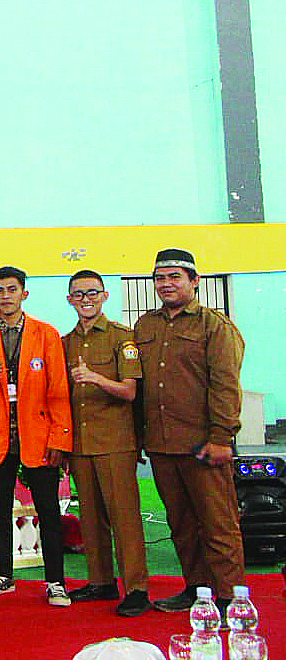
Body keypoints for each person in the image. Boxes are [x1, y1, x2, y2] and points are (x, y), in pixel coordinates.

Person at [137, 249, 245, 615]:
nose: (166, 284)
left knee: (218, 524)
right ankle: (197, 591)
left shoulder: (214, 326)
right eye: (159, 278)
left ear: (194, 281)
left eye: (174, 277)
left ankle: (230, 598)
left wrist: (220, 438)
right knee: (180, 524)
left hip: (204, 445)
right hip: (162, 446)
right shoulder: (145, 326)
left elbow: (226, 386)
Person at [0, 266, 72, 607]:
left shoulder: (46, 335)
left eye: (12, 289)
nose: (6, 296)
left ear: (24, 294)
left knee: (48, 511)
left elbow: (59, 392)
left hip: (38, 436)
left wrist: (60, 439)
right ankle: (2, 575)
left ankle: (55, 581)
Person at [61, 269, 150, 617]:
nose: (86, 300)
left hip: (115, 442)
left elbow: (129, 391)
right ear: (70, 300)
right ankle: (100, 582)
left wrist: (95, 378)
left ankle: (137, 588)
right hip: (81, 443)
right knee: (91, 518)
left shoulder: (122, 339)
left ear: (105, 296)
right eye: (79, 294)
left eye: (93, 293)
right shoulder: (65, 342)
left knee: (124, 518)